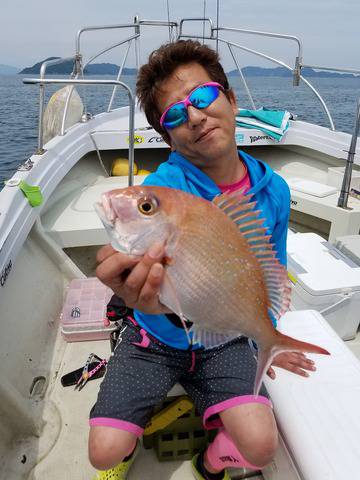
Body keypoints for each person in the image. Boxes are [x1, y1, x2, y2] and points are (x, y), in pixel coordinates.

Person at [88, 40, 316, 480]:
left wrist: (268, 338)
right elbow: (132, 261)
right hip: (154, 339)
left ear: (230, 100)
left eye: (204, 97)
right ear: (167, 136)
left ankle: (209, 462)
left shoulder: (275, 193)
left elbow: (269, 276)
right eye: (175, 115)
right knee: (103, 452)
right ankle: (129, 440)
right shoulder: (163, 188)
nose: (193, 116)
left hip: (228, 338)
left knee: (261, 446)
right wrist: (134, 292)